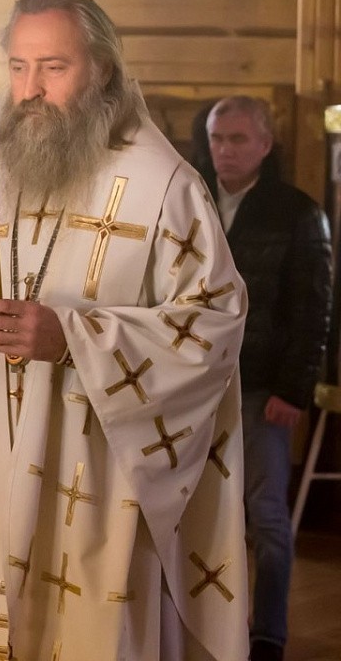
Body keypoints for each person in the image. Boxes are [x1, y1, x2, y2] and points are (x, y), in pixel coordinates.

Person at [0, 0, 250, 659]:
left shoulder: (163, 185)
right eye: (18, 66)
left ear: (102, 70)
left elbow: (214, 323)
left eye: (53, 67)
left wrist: (74, 339)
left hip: (95, 481)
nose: (30, 89)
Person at [205, 96, 332, 661]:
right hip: (199, 384)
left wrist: (293, 389)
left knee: (268, 517)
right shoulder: (192, 200)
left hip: (262, 385)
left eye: (237, 139)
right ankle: (211, 628)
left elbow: (314, 308)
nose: (225, 150)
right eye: (217, 138)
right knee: (200, 510)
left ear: (264, 144)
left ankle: (269, 636)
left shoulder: (297, 212)